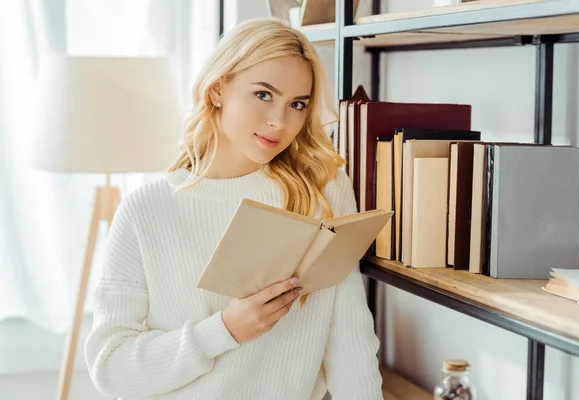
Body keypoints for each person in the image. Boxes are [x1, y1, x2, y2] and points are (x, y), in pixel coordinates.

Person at [84, 17, 383, 400]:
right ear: (218, 89)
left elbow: (350, 343)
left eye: (297, 104)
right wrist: (224, 330)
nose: (279, 121)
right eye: (263, 95)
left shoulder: (324, 193)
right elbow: (110, 367)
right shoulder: (146, 210)